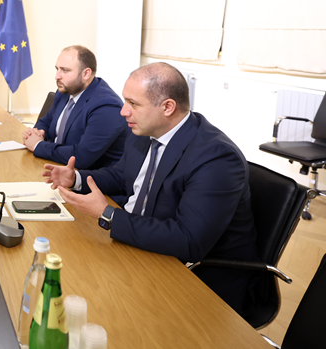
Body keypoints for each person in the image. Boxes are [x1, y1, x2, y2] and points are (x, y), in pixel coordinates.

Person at [42, 62, 261, 317]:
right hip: (139, 245)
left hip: (197, 277)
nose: (123, 111)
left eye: (133, 104)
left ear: (167, 107)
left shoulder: (216, 158)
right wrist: (77, 178)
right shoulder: (144, 130)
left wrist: (108, 215)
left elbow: (189, 241)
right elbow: (123, 178)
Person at [22, 45, 127, 169]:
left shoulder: (107, 106)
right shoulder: (65, 91)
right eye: (57, 69)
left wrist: (37, 145)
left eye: (65, 70)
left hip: (88, 176)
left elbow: (81, 157)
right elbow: (46, 121)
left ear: (86, 74)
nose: (57, 76)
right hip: (57, 166)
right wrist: (37, 132)